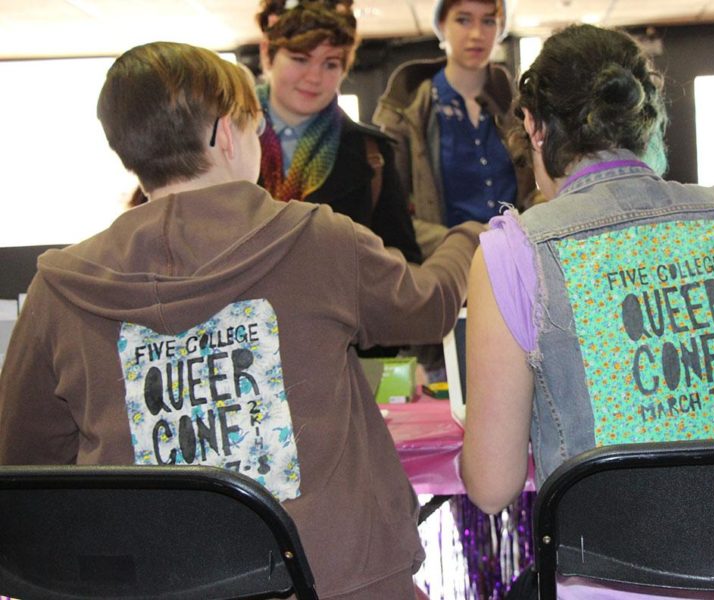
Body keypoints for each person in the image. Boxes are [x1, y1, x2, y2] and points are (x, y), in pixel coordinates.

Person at [0, 41, 483, 599]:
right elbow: (429, 306)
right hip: (339, 580)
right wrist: (467, 238)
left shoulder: (60, 287)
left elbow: (23, 468)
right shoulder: (318, 239)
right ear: (226, 134)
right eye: (258, 129)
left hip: (154, 585)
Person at [460, 24, 714, 599]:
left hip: (622, 579)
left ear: (534, 126)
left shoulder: (514, 248)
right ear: (646, 120)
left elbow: (492, 488)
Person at [256, 0, 422, 264]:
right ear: (267, 55)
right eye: (300, 59)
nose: (314, 77)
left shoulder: (372, 152)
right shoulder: (222, 138)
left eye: (330, 64)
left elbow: (405, 256)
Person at [373, 0, 537, 258]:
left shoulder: (515, 107)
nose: (476, 34)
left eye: (488, 21)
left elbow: (530, 194)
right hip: (448, 265)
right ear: (441, 24)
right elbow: (393, 214)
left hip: (518, 257)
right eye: (463, 19)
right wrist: (465, 243)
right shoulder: (410, 109)